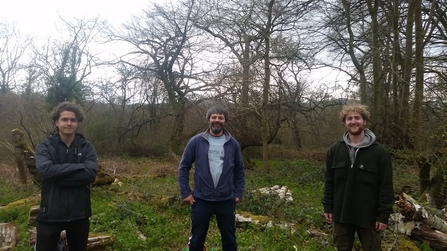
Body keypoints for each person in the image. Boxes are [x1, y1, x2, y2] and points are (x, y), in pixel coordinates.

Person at [322, 104, 394, 251]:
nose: (353, 121)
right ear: (344, 123)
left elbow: (386, 186)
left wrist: (383, 215)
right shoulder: (335, 150)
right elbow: (329, 181)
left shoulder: (379, 152)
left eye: (357, 118)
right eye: (349, 118)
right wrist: (328, 206)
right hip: (341, 213)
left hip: (369, 216)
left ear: (364, 121)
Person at [178, 106, 245, 251]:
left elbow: (239, 170)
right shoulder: (196, 141)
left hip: (226, 200)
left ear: (225, 120)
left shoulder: (233, 144)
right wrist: (185, 192)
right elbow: (184, 167)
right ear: (208, 119)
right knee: (196, 240)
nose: (217, 120)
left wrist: (238, 192)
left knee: (230, 240)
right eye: (214, 117)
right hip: (201, 199)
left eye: (220, 118)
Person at [34, 101, 98, 251]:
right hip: (50, 214)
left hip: (79, 214)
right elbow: (46, 172)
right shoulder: (44, 147)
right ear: (57, 122)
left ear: (77, 123)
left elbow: (90, 175)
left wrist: (58, 178)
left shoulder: (87, 147)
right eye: (64, 119)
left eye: (73, 120)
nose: (69, 123)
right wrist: (80, 166)